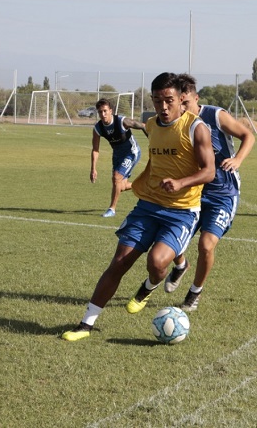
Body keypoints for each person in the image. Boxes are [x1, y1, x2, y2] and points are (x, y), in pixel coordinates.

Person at [62, 73, 215, 341]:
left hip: (182, 212)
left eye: (168, 100)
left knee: (156, 262)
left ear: (181, 99)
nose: (163, 107)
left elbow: (209, 171)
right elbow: (156, 164)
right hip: (148, 206)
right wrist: (134, 185)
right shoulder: (152, 126)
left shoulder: (196, 128)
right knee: (119, 261)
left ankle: (150, 285)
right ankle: (85, 325)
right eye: (157, 101)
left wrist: (181, 183)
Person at [153, 73, 255, 312]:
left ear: (195, 98)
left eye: (186, 103)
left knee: (206, 245)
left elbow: (248, 135)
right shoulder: (177, 122)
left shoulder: (214, 115)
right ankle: (181, 265)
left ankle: (194, 293)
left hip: (223, 193)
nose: (182, 109)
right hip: (193, 191)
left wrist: (238, 159)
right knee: (169, 237)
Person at [90, 98, 147, 218]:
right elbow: (95, 150)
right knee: (120, 186)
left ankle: (112, 209)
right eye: (100, 112)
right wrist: (93, 168)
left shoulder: (122, 121)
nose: (103, 114)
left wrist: (153, 141)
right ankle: (144, 185)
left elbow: (142, 126)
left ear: (111, 111)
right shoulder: (98, 128)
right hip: (117, 155)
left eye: (105, 111)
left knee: (116, 178)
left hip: (131, 152)